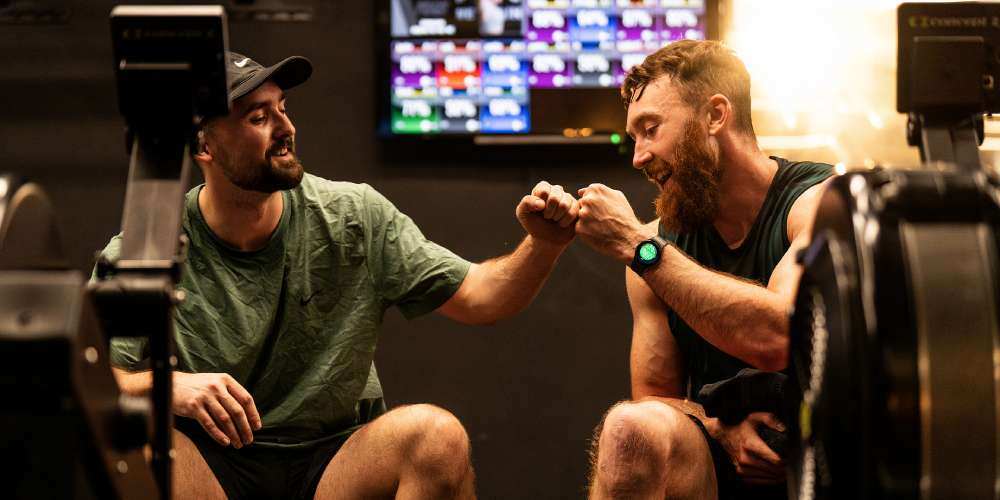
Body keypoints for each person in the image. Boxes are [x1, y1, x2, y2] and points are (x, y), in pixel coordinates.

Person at [99, 52, 580, 500]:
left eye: (282, 108)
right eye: (258, 118)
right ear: (204, 144)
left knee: (436, 435)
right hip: (210, 467)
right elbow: (94, 376)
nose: (285, 127)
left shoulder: (351, 215)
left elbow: (481, 298)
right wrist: (169, 386)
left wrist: (544, 244)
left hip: (333, 462)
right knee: (136, 436)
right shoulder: (147, 250)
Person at [575, 40, 834, 499]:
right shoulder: (656, 247)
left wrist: (638, 246)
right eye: (634, 137)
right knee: (630, 428)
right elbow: (653, 399)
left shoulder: (818, 203)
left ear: (715, 115)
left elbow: (778, 338)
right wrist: (718, 426)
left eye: (650, 129)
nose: (638, 157)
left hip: (825, 457)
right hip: (718, 464)